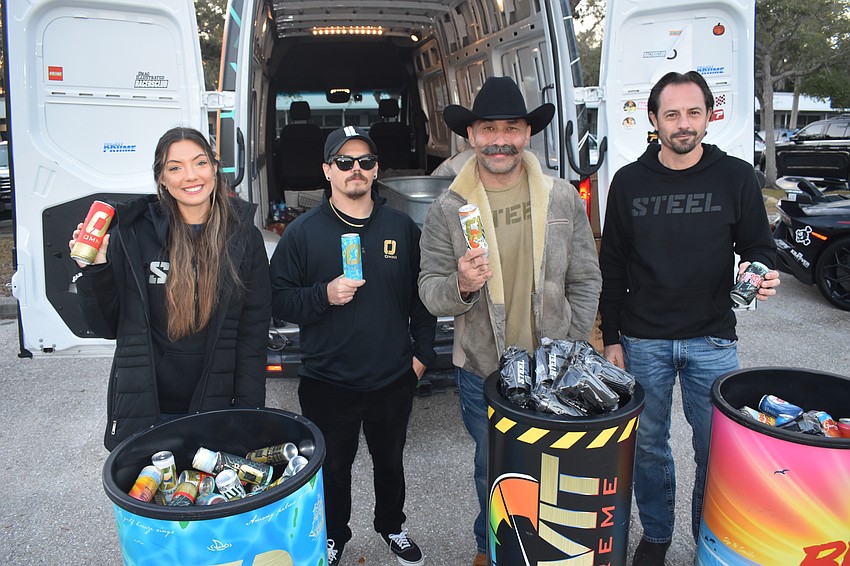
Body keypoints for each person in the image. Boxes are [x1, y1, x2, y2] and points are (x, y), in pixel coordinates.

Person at [417, 76, 602, 566]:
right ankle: (489, 547)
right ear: (471, 136)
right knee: (493, 467)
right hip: (482, 369)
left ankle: (548, 548)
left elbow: (586, 278)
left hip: (553, 367)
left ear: (527, 134)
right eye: (488, 128)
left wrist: (574, 343)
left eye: (512, 128)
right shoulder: (449, 207)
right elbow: (429, 291)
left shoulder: (562, 197)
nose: (500, 139)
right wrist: (459, 285)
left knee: (555, 464)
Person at [598, 71, 781, 566]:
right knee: (650, 448)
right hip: (643, 339)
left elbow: (759, 248)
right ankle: (656, 535)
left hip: (713, 340)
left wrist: (762, 276)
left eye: (694, 113)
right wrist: (611, 336)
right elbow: (611, 265)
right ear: (654, 119)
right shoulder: (629, 182)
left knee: (717, 450)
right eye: (672, 114)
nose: (684, 124)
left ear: (709, 115)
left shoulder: (737, 177)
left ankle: (709, 537)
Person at [269, 126, 436, 566]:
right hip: (328, 381)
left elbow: (422, 298)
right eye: (344, 162)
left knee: (390, 463)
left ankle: (392, 527)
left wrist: (421, 357)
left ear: (376, 169)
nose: (355, 169)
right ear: (327, 171)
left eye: (364, 161)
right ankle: (334, 535)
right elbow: (279, 298)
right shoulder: (303, 233)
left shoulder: (400, 227)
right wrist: (324, 294)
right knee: (333, 468)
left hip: (391, 377)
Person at [69, 126, 271, 451]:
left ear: (215, 168)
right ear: (162, 178)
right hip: (149, 406)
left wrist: (248, 414)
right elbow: (105, 327)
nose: (190, 176)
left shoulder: (244, 237)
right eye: (175, 167)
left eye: (200, 162)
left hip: (217, 403)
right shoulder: (134, 234)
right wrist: (95, 268)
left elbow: (253, 336)